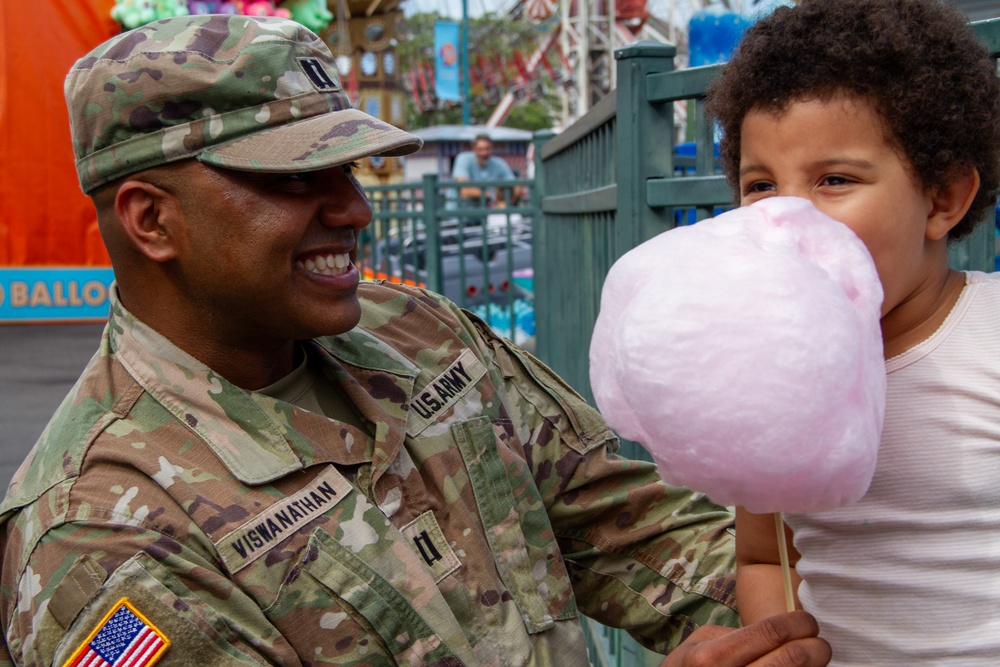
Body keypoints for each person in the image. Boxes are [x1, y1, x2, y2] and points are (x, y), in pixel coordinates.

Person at [0, 15, 831, 667]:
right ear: (153, 219)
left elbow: (630, 527)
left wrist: (868, 605)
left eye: (352, 170)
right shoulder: (101, 537)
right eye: (296, 179)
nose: (355, 209)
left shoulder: (416, 332)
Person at [704, 0, 1000, 664]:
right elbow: (762, 554)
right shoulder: (767, 373)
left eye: (834, 180)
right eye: (760, 185)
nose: (786, 216)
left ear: (942, 197)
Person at [452, 134, 518, 207]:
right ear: (474, 149)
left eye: (488, 149)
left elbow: (516, 185)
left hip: (483, 215)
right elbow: (464, 190)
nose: (484, 153)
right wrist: (492, 195)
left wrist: (507, 203)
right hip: (458, 214)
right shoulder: (463, 159)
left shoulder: (498, 163)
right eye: (480, 149)